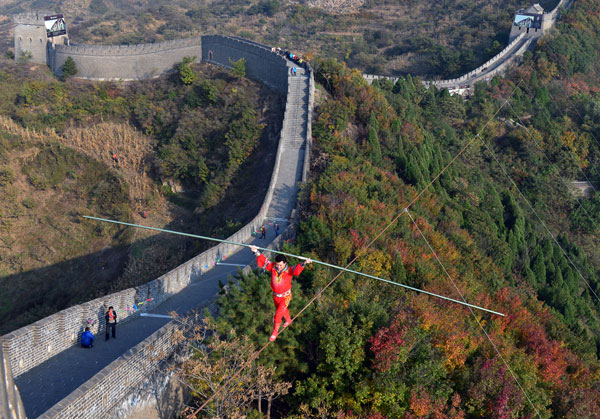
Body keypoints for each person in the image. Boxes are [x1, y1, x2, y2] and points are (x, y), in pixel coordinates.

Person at [249, 245, 312, 341]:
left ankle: (275, 332)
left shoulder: (289, 270)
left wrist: (304, 263)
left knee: (278, 315)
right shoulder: (273, 267)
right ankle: (288, 319)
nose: (278, 267)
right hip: (275, 296)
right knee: (281, 310)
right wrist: (255, 251)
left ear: (285, 263)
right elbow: (264, 260)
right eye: (277, 265)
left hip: (285, 296)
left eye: (281, 265)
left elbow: (297, 270)